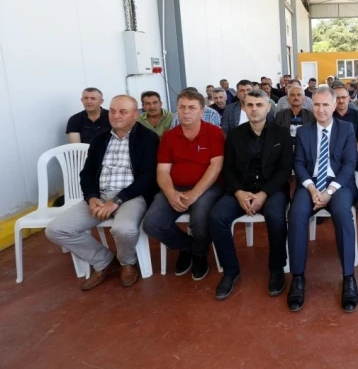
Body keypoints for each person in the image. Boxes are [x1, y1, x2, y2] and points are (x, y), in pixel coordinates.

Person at [46, 95, 159, 290]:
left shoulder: (148, 138)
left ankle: (127, 262)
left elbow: (148, 177)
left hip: (130, 196)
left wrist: (117, 200)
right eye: (113, 111)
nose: (116, 116)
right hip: (100, 196)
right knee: (56, 229)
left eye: (122, 112)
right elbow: (87, 174)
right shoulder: (100, 139)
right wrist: (91, 198)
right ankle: (105, 261)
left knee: (124, 229)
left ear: (135, 114)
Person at [209, 90, 294, 300]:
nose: (254, 109)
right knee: (217, 217)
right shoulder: (235, 134)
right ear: (244, 108)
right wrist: (239, 192)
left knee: (276, 217)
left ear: (268, 107)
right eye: (250, 105)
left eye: (259, 105)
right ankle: (230, 270)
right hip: (241, 189)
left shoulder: (282, 133)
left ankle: (276, 268)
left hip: (271, 190)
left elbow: (285, 170)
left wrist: (264, 193)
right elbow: (228, 169)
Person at [286, 86, 358, 313]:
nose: (320, 109)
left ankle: (349, 277)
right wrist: (311, 188)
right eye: (316, 104)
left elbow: (349, 164)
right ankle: (298, 277)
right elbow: (299, 164)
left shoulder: (346, 129)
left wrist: (329, 191)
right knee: (296, 214)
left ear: (335, 104)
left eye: (325, 104)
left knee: (343, 214)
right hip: (311, 182)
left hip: (339, 183)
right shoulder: (304, 131)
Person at [143, 90, 225, 281]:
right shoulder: (169, 136)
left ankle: (200, 255)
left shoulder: (214, 132)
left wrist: (195, 193)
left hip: (208, 187)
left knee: (200, 218)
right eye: (182, 107)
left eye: (192, 108)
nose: (186, 112)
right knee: (152, 223)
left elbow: (216, 166)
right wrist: (170, 193)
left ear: (202, 111)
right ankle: (187, 247)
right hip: (175, 187)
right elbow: (162, 170)